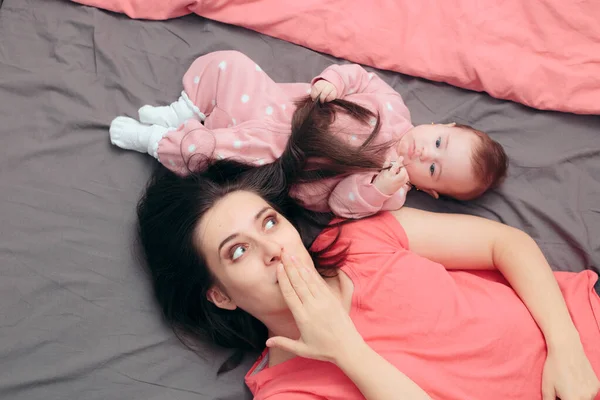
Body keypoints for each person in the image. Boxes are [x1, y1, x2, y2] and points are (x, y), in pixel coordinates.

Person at [137, 159, 600, 400]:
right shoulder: (288, 391)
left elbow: (507, 245)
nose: (274, 249)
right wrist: (347, 350)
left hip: (583, 331)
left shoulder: (360, 240)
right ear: (220, 295)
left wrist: (566, 348)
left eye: (270, 223)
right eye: (238, 251)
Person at [111, 51, 508, 219]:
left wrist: (380, 187)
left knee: (220, 151)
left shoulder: (392, 192)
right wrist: (332, 82)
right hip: (275, 106)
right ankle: (185, 111)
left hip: (280, 154)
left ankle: (156, 141)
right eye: (438, 143)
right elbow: (358, 77)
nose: (424, 154)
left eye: (434, 169)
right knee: (231, 64)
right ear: (445, 126)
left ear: (431, 191)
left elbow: (342, 202)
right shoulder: (393, 106)